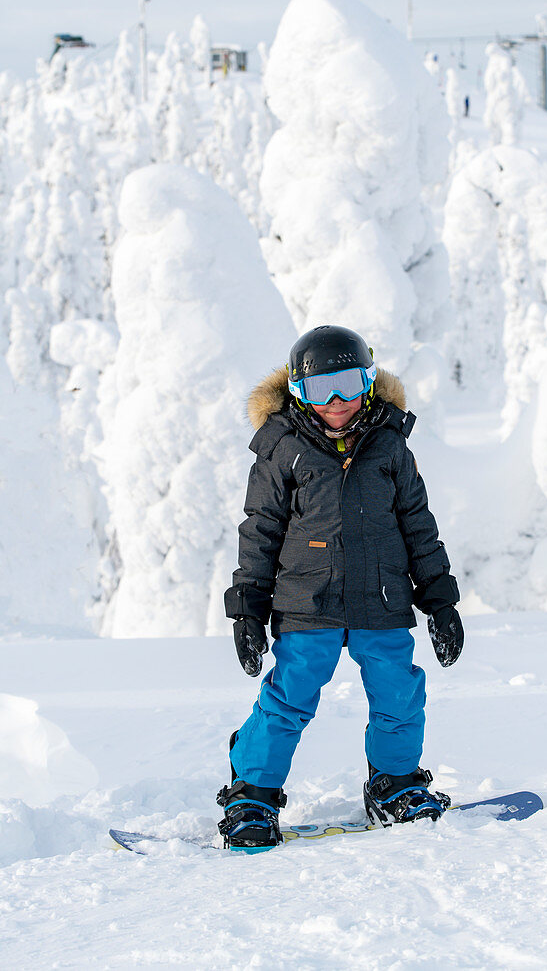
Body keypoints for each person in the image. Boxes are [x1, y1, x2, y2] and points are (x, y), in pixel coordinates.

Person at [217, 325, 463, 851]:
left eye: (349, 385)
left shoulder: (390, 445)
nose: (336, 402)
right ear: (298, 393)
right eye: (321, 389)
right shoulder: (282, 450)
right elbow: (260, 529)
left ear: (370, 382)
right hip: (308, 600)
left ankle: (394, 784)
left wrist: (441, 600)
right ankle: (251, 794)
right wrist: (248, 612)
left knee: (399, 694)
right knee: (290, 698)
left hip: (383, 597)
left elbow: (418, 523)